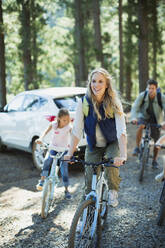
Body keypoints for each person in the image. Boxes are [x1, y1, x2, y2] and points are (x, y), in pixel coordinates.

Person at [64, 68, 127, 207]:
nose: (96, 85)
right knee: (88, 185)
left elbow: (121, 130)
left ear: (106, 85)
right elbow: (76, 130)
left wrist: (123, 155)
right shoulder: (83, 102)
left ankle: (112, 190)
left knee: (111, 166)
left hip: (112, 143)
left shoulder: (114, 102)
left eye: (100, 81)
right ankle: (83, 220)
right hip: (93, 146)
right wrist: (70, 153)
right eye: (93, 81)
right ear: (89, 83)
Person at [36, 108, 72, 199]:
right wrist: (41, 138)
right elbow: (45, 132)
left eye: (68, 120)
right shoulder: (53, 125)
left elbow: (73, 137)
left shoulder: (69, 127)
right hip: (54, 148)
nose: (67, 122)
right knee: (47, 160)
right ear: (59, 118)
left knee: (64, 169)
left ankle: (66, 189)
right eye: (64, 120)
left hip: (64, 150)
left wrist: (73, 147)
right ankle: (42, 180)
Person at [130, 79, 165, 169]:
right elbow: (135, 107)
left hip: (156, 120)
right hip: (144, 117)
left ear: (156, 89)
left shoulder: (161, 97)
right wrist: (134, 117)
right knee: (141, 126)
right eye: (149, 88)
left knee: (157, 141)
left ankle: (154, 160)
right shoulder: (143, 95)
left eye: (152, 88)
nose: (150, 90)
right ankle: (137, 148)